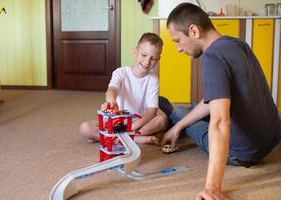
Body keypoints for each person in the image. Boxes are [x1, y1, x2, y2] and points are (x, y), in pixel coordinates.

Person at [160, 3, 281, 200]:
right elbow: (216, 100)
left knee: (182, 112)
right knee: (197, 107)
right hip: (273, 137)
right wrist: (178, 128)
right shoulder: (237, 43)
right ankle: (175, 125)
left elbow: (219, 121)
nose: (178, 49)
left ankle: (171, 114)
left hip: (245, 152)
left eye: (178, 41)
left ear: (193, 30)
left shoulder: (212, 57)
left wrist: (212, 187)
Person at [80, 32, 168, 145]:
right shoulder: (120, 72)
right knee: (85, 128)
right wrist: (111, 101)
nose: (147, 62)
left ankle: (115, 137)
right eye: (144, 55)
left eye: (153, 58)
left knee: (162, 121)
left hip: (140, 122)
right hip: (117, 121)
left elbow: (151, 112)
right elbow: (112, 90)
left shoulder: (153, 80)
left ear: (158, 60)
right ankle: (135, 139)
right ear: (135, 52)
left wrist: (132, 126)